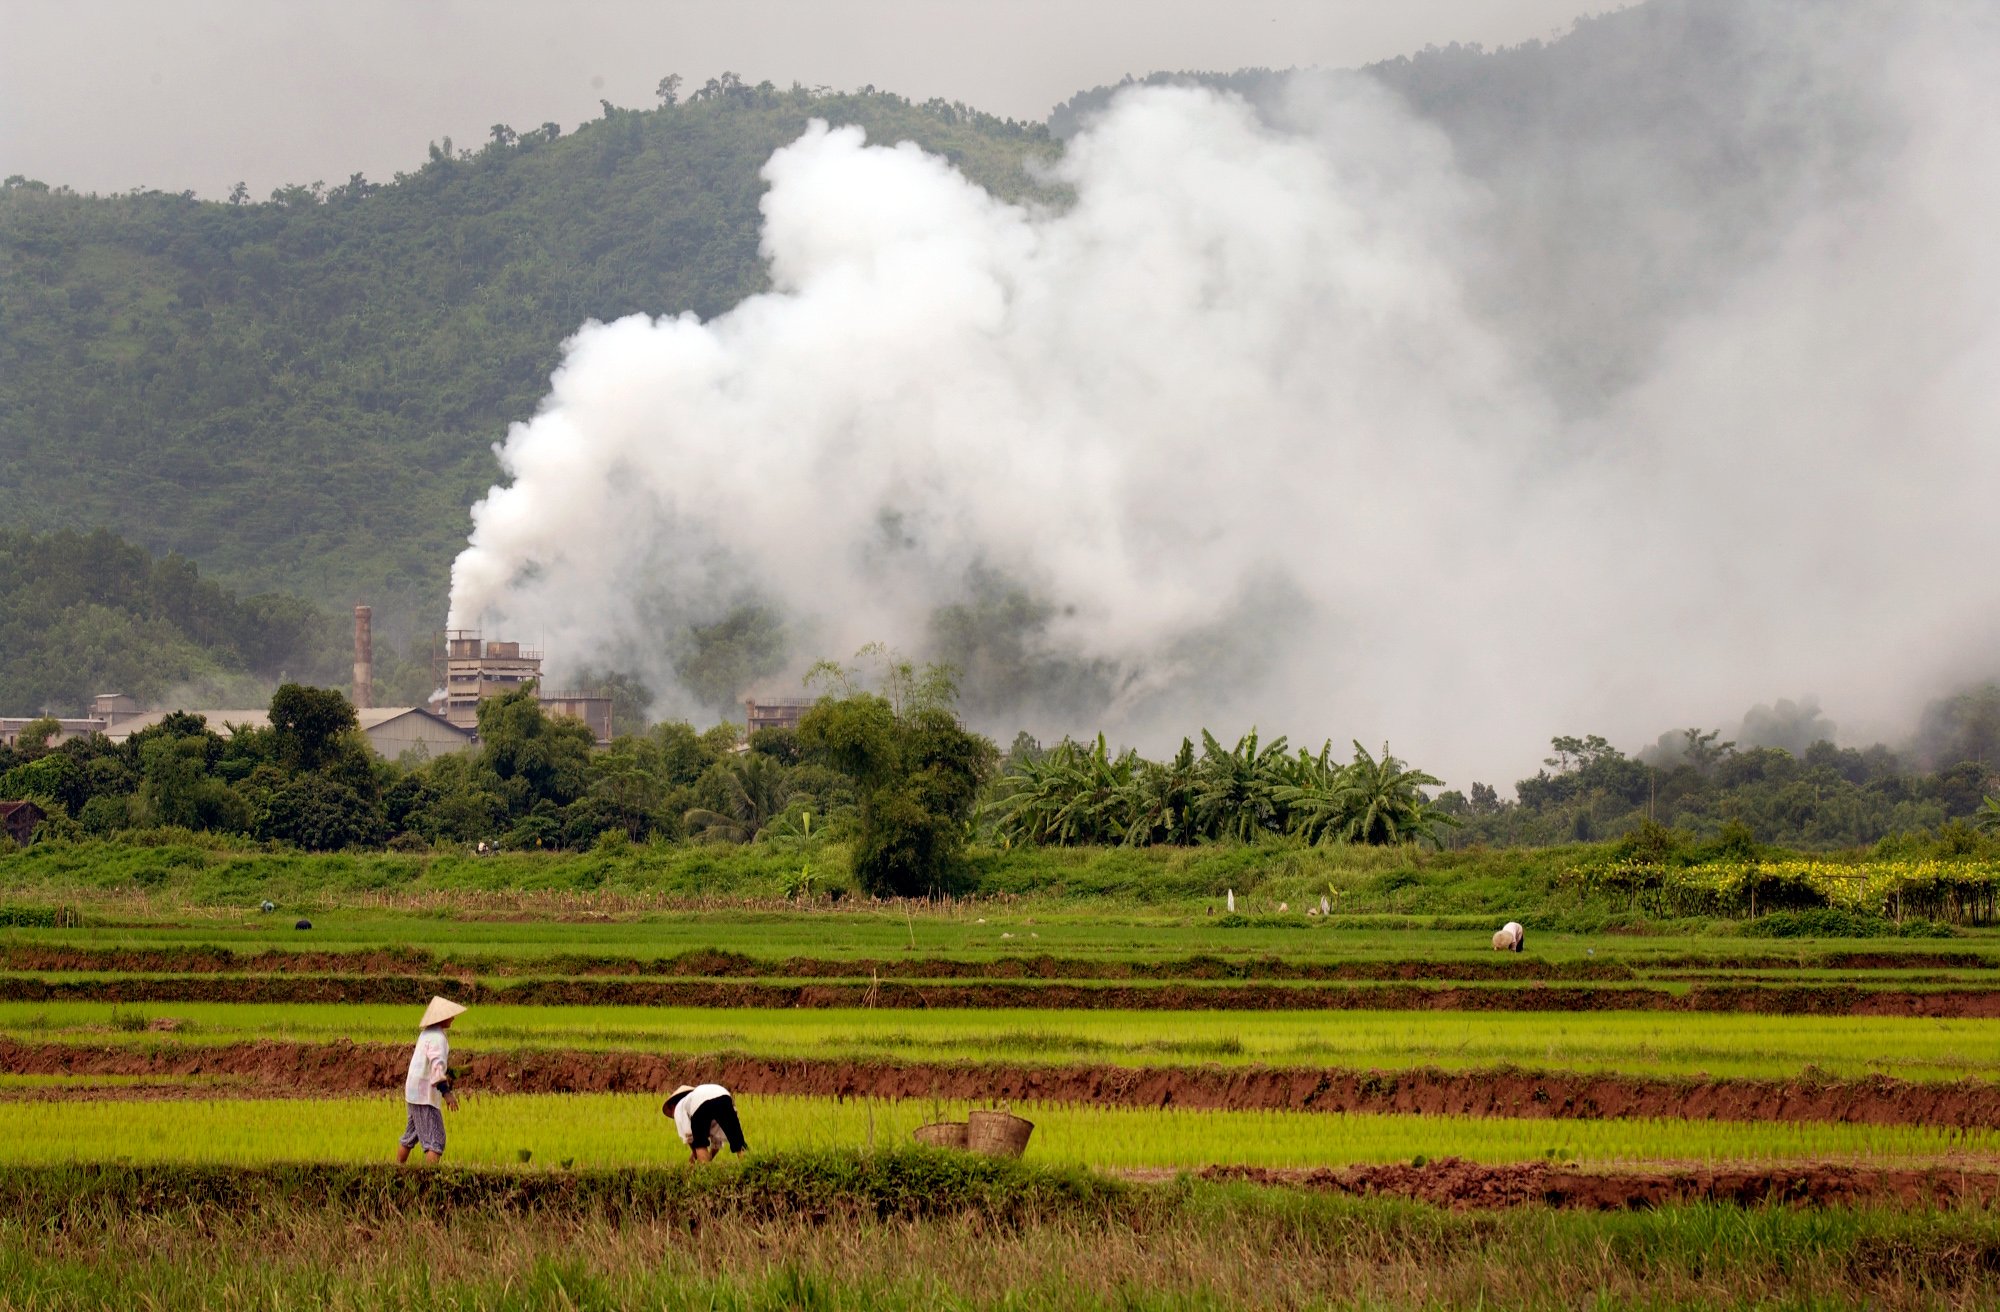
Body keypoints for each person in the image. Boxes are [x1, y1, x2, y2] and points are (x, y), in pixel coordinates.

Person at [396, 995, 465, 1164]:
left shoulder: (426, 1034)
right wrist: (446, 1093)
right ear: (442, 1018)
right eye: (450, 1015)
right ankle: (430, 1180)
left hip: (413, 1092)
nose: (453, 1018)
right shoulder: (438, 1038)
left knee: (410, 1135)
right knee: (436, 1140)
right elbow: (436, 1066)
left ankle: (397, 1168)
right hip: (424, 1095)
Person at [663, 1083, 749, 1163]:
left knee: (700, 1143)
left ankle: (704, 1173)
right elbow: (717, 1140)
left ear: (672, 1106)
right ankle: (748, 1167)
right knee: (737, 1140)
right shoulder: (694, 1096)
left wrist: (694, 1156)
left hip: (700, 1104)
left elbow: (689, 1135)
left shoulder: (679, 1107)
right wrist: (710, 1157)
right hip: (724, 1095)